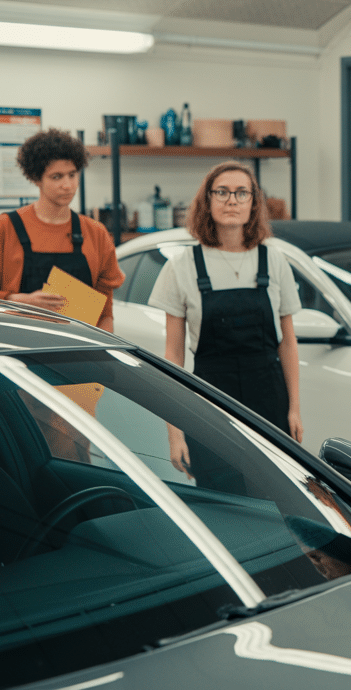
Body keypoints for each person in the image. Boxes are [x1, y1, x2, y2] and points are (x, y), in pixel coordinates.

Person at [148, 161, 303, 483]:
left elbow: (287, 342)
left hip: (270, 405)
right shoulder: (182, 266)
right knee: (222, 502)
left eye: (241, 193)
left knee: (278, 497)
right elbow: (173, 357)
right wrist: (174, 433)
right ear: (207, 200)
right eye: (222, 192)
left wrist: (295, 409)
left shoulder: (274, 260)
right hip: (210, 405)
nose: (231, 200)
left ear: (253, 203)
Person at [0, 128, 124, 332]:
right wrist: (19, 301)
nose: (67, 185)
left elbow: (104, 312)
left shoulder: (95, 233)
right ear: (36, 178)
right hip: (17, 348)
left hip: (78, 351)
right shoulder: (5, 227)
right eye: (56, 177)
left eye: (72, 175)